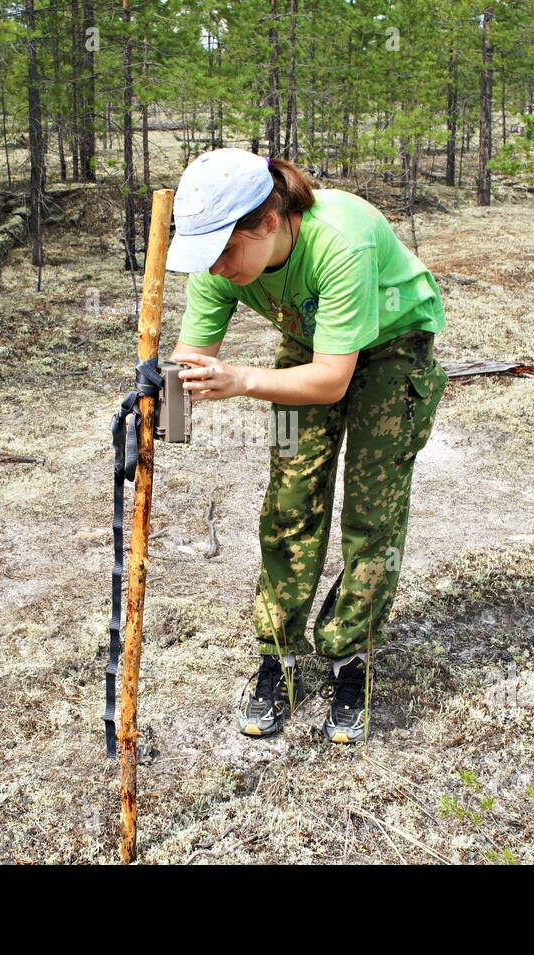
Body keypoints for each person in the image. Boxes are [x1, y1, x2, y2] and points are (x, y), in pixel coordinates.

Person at [165, 147, 448, 744]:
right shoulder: (219, 266)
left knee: (372, 513)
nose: (215, 269)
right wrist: (160, 410)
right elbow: (192, 360)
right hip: (310, 338)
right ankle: (279, 657)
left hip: (394, 348)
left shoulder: (339, 241)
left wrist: (242, 382)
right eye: (204, 256)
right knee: (291, 499)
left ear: (268, 221)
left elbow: (330, 381)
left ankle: (351, 660)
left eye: (224, 252)